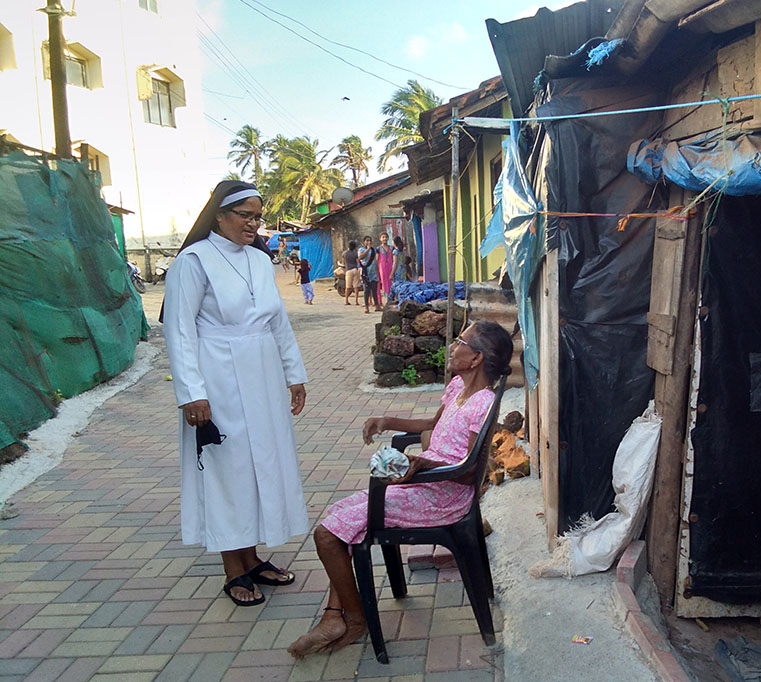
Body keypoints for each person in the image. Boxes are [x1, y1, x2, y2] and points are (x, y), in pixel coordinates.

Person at [286, 321, 514, 659]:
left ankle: (353, 618)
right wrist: (388, 421)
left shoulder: (481, 404)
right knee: (339, 518)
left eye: (460, 341)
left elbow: (468, 474)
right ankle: (336, 615)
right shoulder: (457, 388)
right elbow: (434, 425)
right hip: (425, 486)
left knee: (327, 535)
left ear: (476, 358)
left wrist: (424, 465)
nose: (452, 345)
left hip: (443, 498)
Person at [162, 180, 310, 607]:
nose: (253, 223)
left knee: (262, 463)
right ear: (220, 215)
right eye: (246, 215)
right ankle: (234, 569)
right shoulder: (193, 261)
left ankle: (253, 557)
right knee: (229, 468)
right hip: (218, 377)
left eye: (258, 216)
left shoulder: (260, 260)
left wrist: (293, 374)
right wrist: (191, 392)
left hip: (261, 373)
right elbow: (180, 331)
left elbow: (276, 321)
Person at [358, 235, 381, 313]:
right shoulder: (361, 250)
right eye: (367, 240)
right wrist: (367, 250)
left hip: (373, 272)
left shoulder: (373, 250)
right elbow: (361, 257)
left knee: (374, 289)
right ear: (364, 242)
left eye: (370, 240)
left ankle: (377, 305)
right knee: (366, 290)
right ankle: (366, 307)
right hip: (366, 272)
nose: (369, 242)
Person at [376, 232, 393, 301]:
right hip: (382, 268)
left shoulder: (391, 248)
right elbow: (377, 259)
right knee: (383, 282)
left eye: (386, 237)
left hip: (390, 267)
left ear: (388, 238)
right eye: (383, 237)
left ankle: (390, 299)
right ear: (380, 239)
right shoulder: (378, 248)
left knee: (391, 282)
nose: (384, 238)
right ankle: (381, 299)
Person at [342, 240, 360, 306]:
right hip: (355, 270)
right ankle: (356, 301)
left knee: (348, 287)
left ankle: (346, 300)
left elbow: (343, 264)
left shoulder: (344, 253)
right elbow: (358, 263)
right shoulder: (355, 253)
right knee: (356, 287)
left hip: (348, 271)